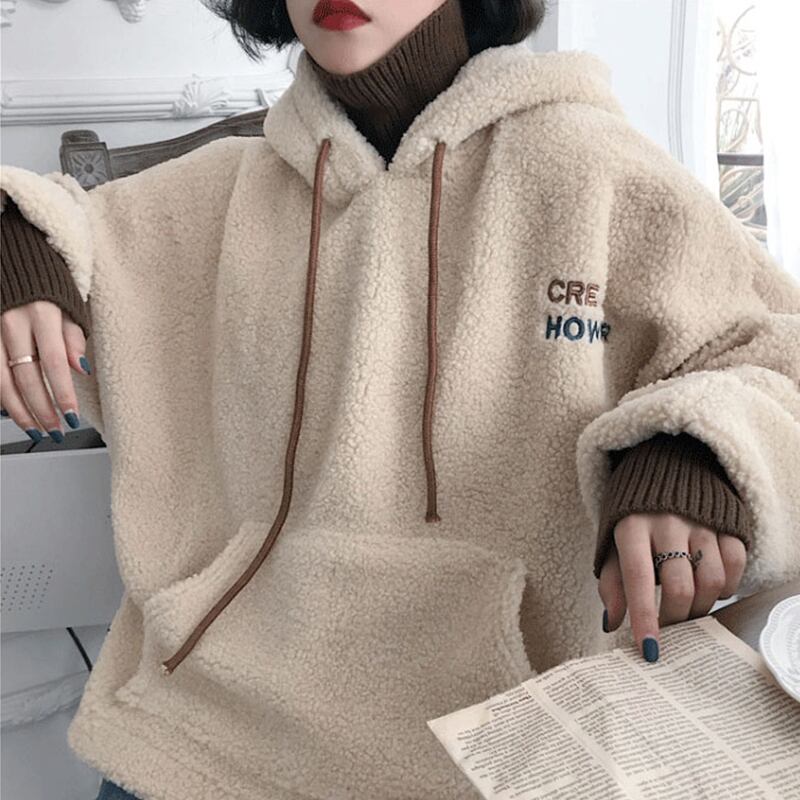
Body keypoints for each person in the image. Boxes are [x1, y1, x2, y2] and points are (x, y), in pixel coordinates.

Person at [1, 1, 798, 798]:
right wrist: (18, 248)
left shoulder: (590, 169)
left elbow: (771, 353)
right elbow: (58, 222)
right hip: (195, 742)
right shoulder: (223, 190)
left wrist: (687, 451)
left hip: (497, 753)